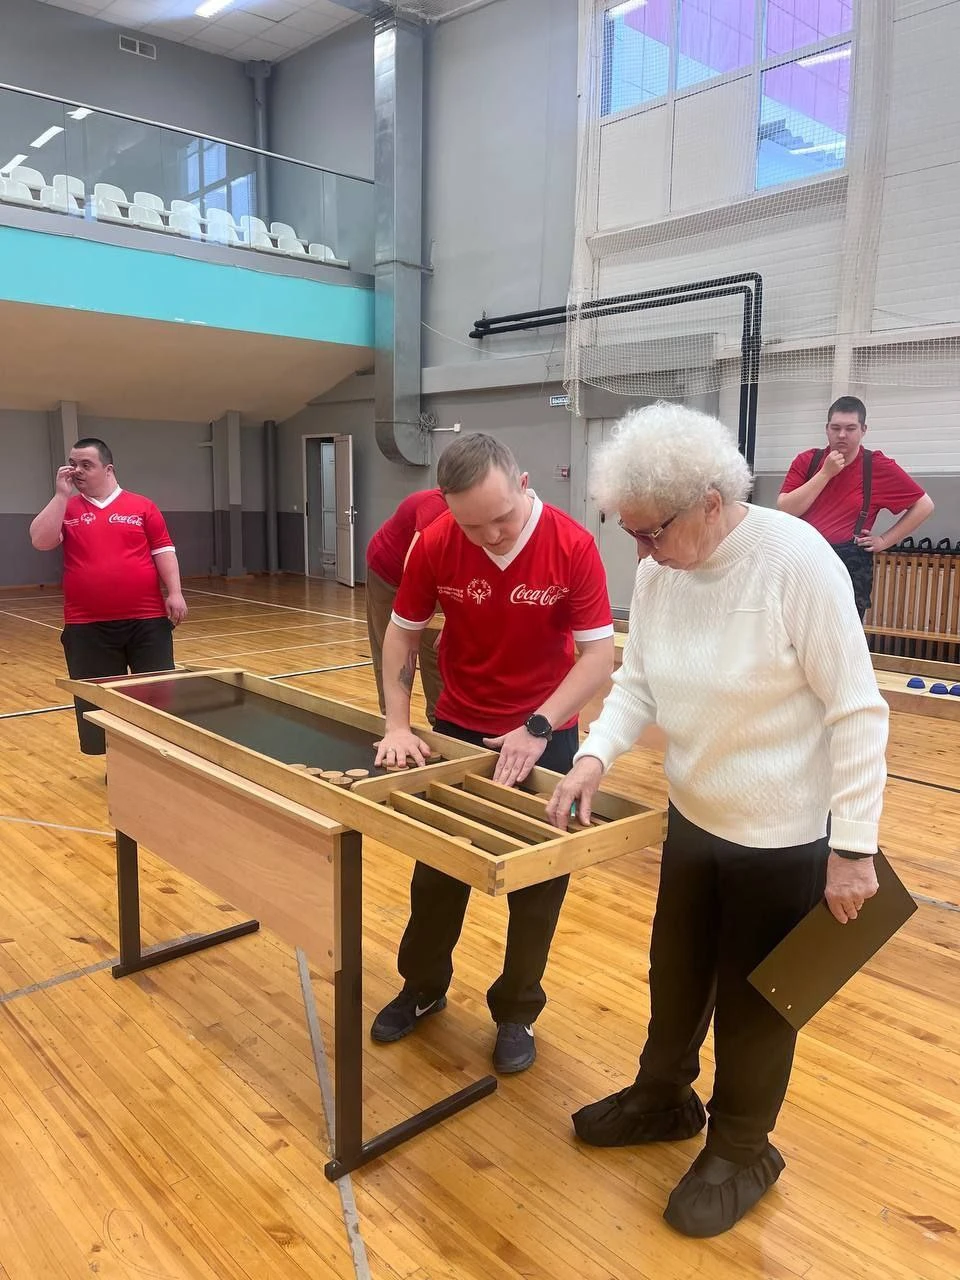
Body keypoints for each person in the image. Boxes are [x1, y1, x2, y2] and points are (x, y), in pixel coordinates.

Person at [545, 403, 888, 1238]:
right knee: (676, 973)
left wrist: (854, 849)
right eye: (629, 532)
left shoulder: (796, 562)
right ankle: (664, 1096)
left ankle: (742, 1147)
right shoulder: (663, 569)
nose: (641, 552)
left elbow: (857, 710)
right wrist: (595, 755)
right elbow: (638, 680)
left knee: (755, 1004)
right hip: (694, 818)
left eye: (651, 532)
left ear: (709, 501)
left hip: (784, 839)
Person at [371, 433, 615, 1074]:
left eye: (501, 518)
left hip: (546, 732)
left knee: (538, 884)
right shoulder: (436, 541)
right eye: (472, 525)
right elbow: (401, 637)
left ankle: (516, 1011)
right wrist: (397, 724)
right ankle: (422, 987)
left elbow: (598, 656)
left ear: (524, 484)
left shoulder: (572, 545)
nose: (491, 537)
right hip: (457, 725)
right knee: (437, 873)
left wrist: (538, 725)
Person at [29, 438, 188, 755]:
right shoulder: (67, 508)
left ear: (108, 469)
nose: (77, 471)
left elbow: (163, 550)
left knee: (157, 697)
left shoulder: (142, 506)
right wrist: (60, 495)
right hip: (87, 626)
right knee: (97, 703)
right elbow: (41, 541)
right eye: (73, 464)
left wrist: (175, 592)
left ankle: (158, 761)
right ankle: (118, 766)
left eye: (86, 465)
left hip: (147, 622)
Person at [777, 395, 934, 618]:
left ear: (863, 430)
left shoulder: (877, 466)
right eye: (836, 428)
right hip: (804, 559)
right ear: (827, 429)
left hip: (849, 563)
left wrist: (884, 541)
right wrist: (825, 474)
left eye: (850, 428)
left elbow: (924, 505)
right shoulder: (807, 461)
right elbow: (786, 510)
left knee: (844, 632)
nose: (842, 435)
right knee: (795, 627)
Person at [365, 488, 447, 725]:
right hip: (387, 572)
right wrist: (408, 622)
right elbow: (413, 568)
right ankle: (392, 720)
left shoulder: (475, 513)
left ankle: (440, 720)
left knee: (436, 646)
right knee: (391, 643)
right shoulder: (435, 506)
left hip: (434, 576)